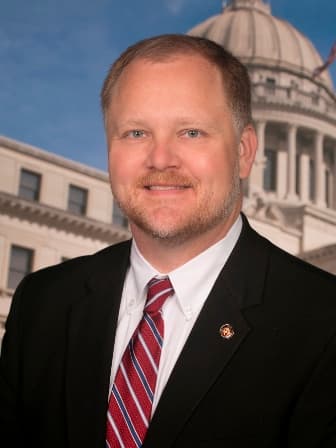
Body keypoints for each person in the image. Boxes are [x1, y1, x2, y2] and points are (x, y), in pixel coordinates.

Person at [0, 34, 335, 448]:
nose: (160, 159)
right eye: (136, 132)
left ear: (246, 151)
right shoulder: (42, 304)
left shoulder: (324, 322)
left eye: (191, 132)